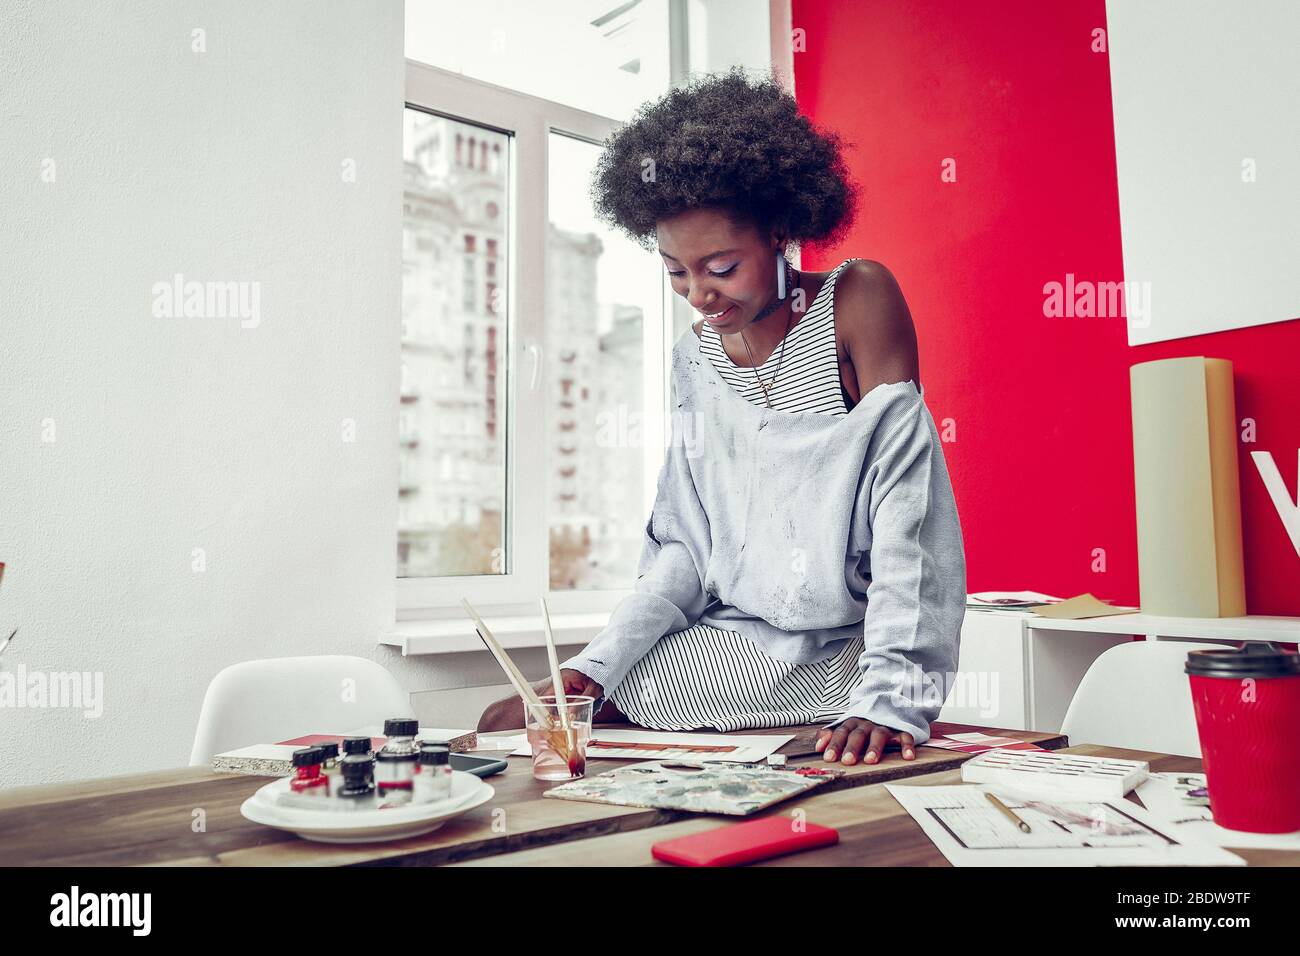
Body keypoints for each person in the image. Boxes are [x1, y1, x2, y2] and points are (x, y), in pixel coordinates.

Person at [478, 68, 966, 766]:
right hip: (740, 639)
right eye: (676, 272)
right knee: (586, 695)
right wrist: (595, 665)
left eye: (722, 266)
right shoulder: (692, 362)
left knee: (622, 715)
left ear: (779, 231)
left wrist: (890, 696)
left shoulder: (859, 300)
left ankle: (860, 702)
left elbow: (909, 522)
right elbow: (686, 546)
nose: (700, 294)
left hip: (852, 643)